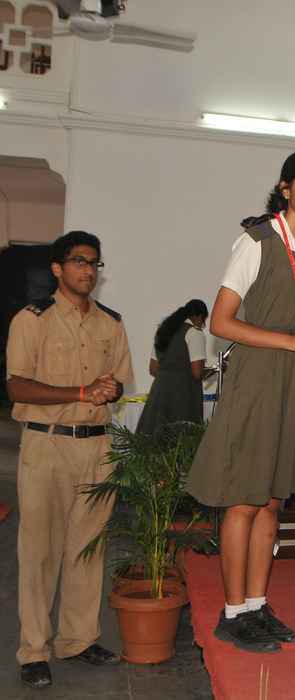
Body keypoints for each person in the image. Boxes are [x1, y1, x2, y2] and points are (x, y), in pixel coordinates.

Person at [186, 150, 295, 653]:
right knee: (244, 498)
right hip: (255, 377)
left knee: (273, 499)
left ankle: (255, 603)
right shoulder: (255, 242)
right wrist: (292, 342)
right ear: (286, 188)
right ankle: (233, 612)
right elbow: (221, 322)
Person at [6, 230, 133, 689]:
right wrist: (81, 392)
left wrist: (109, 390)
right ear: (57, 268)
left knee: (87, 550)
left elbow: (120, 383)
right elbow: (17, 386)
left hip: (96, 448)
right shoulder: (32, 319)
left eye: (94, 263)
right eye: (79, 261)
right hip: (47, 446)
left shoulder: (111, 323)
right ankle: (34, 650)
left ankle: (78, 640)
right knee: (39, 551)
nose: (88, 270)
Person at [136, 299, 209, 435]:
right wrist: (211, 371)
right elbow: (197, 373)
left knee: (155, 441)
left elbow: (153, 369)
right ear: (199, 316)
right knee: (180, 441)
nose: (203, 325)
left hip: (159, 394)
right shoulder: (194, 333)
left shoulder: (164, 331)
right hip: (183, 396)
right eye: (204, 320)